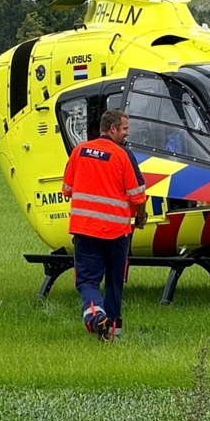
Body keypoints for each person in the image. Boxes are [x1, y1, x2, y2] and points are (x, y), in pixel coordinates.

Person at [62, 109, 148, 342]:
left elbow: (67, 190)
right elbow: (137, 195)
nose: (126, 134)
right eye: (124, 130)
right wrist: (141, 216)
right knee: (114, 279)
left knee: (87, 280)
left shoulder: (79, 151)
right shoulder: (123, 155)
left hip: (85, 229)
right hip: (116, 231)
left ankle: (95, 315)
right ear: (113, 129)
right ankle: (113, 329)